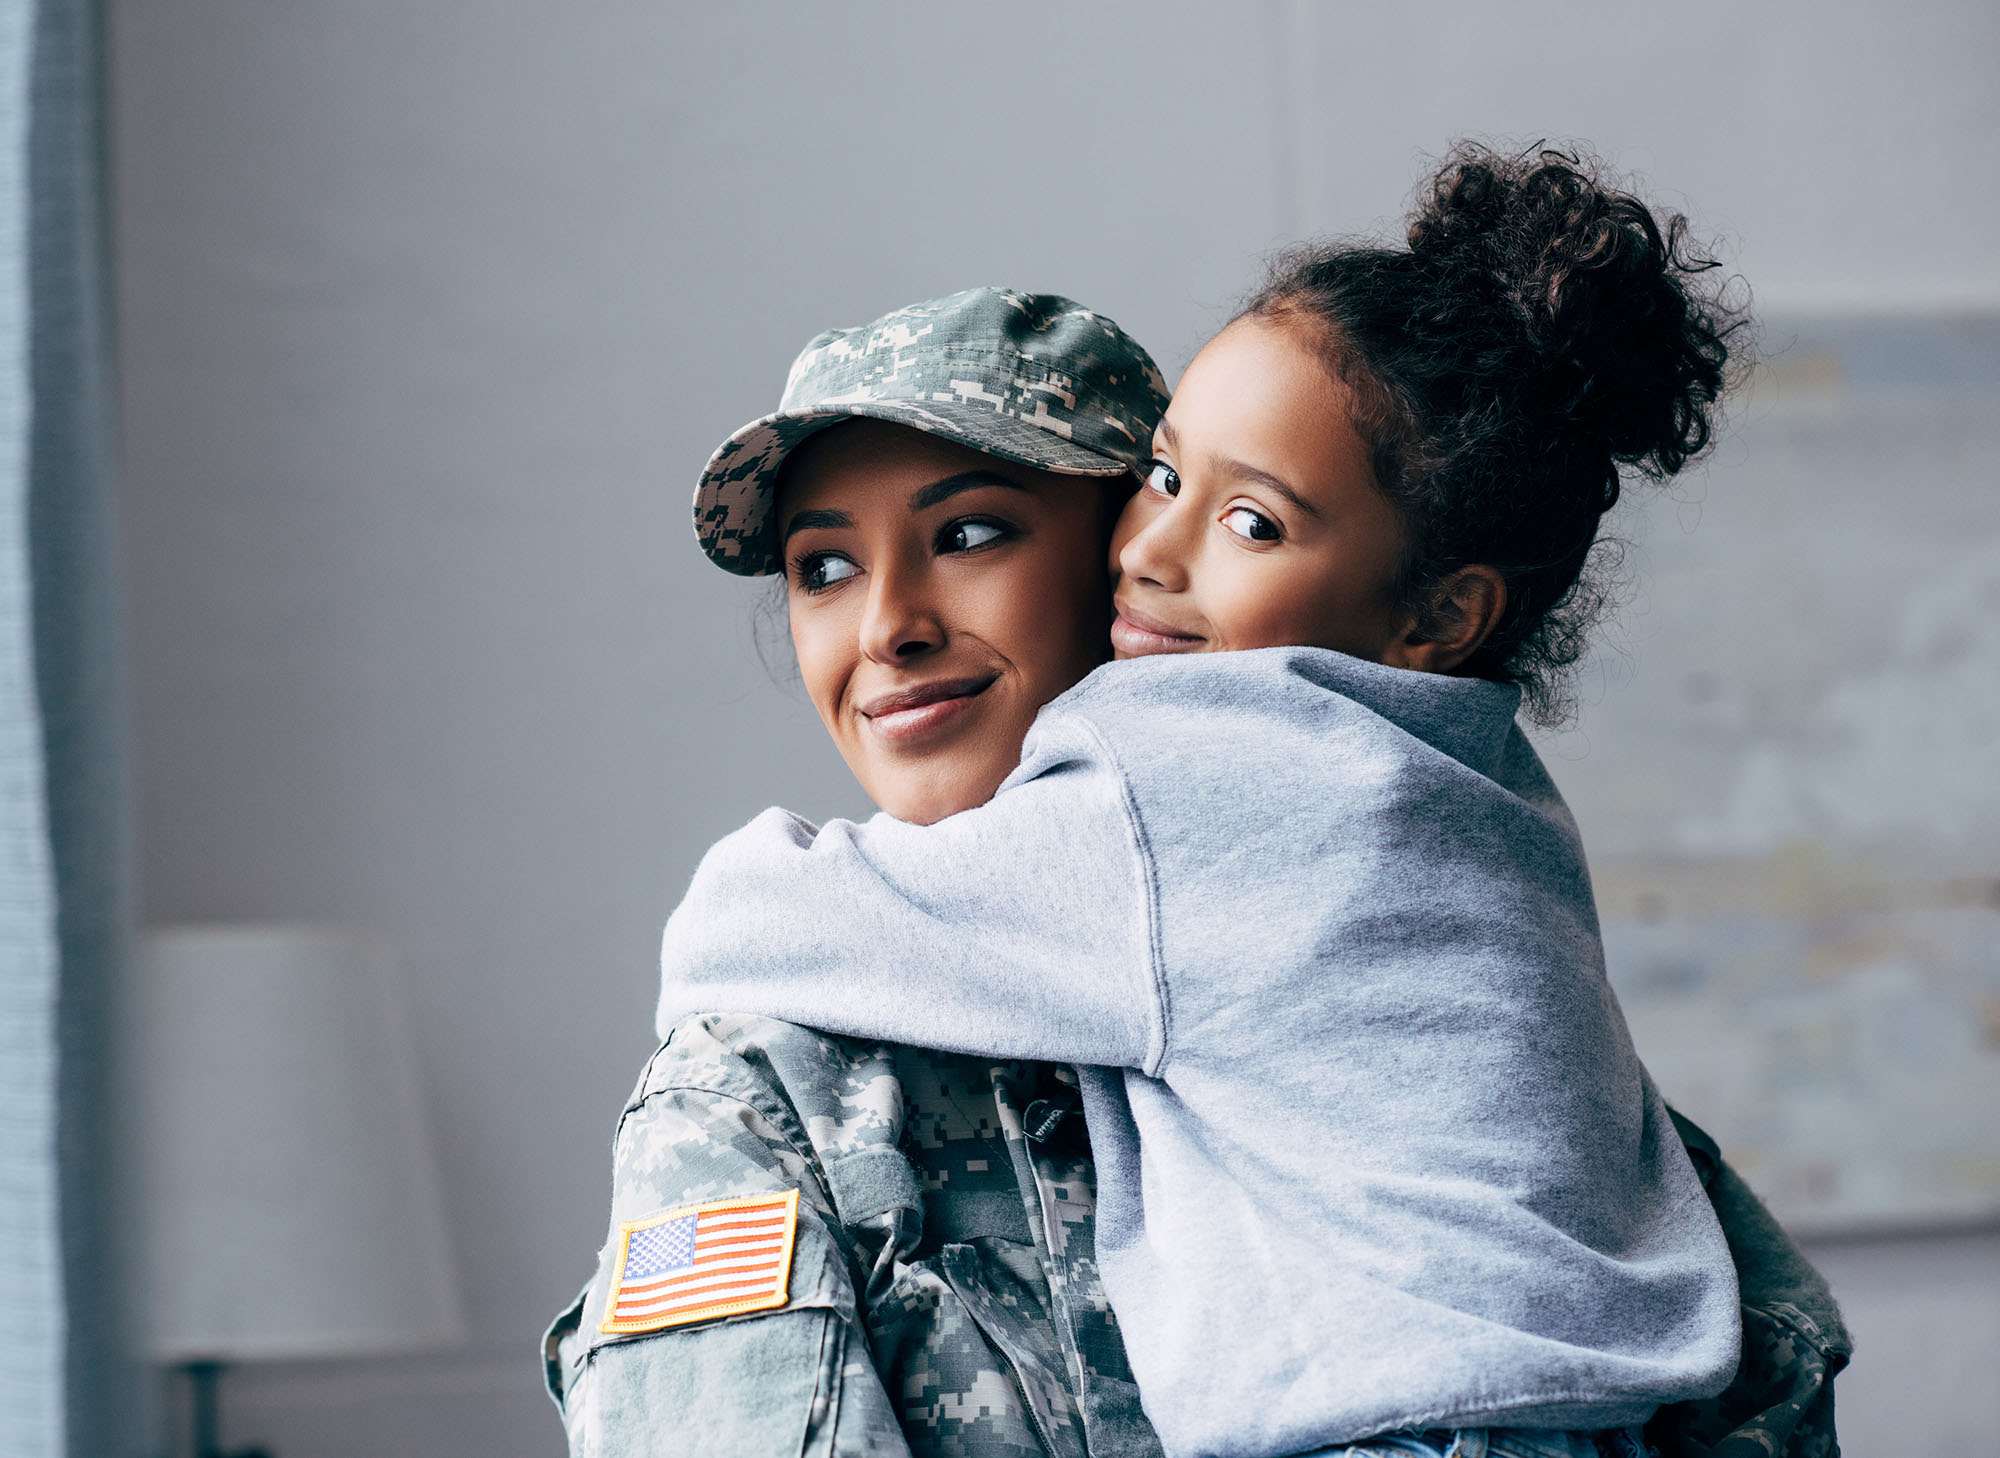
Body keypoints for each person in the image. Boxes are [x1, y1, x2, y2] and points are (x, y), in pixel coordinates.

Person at [653, 149, 1844, 1458]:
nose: (889, 627)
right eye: (821, 565)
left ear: (1443, 614)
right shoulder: (1473, 791)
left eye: (977, 533)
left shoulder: (1191, 797)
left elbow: (759, 913)